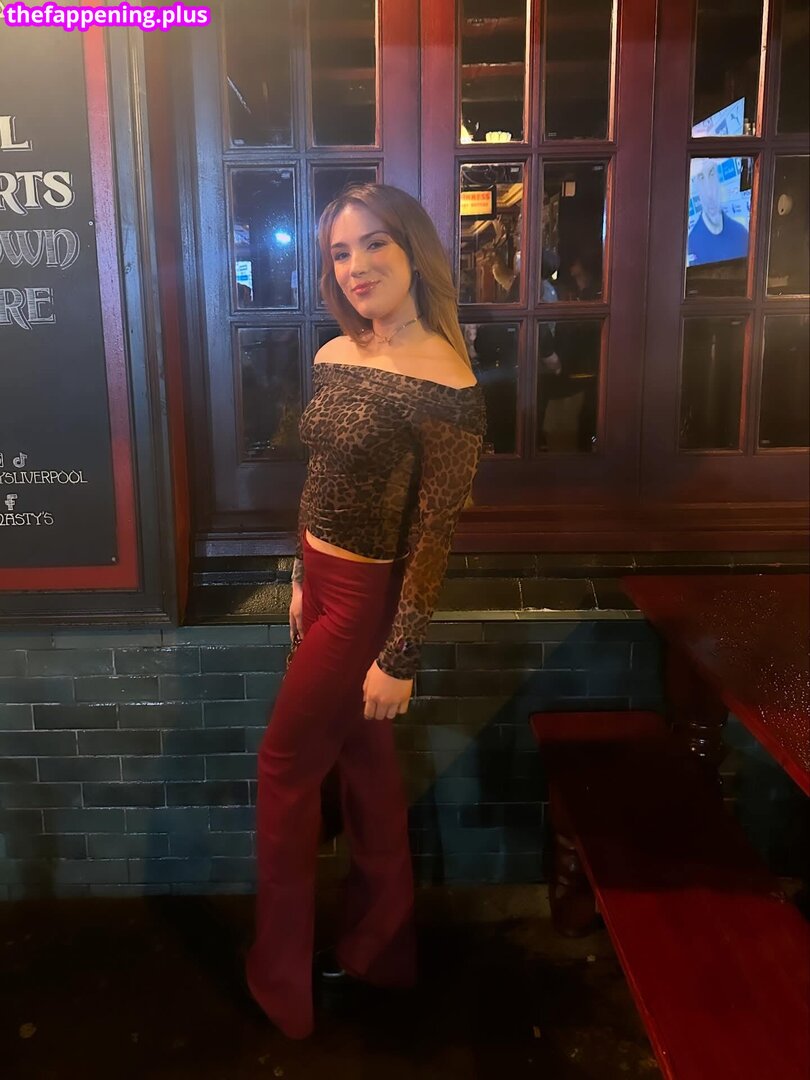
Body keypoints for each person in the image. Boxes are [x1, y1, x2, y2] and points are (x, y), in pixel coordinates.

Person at [245, 183, 487, 1039]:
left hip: (362, 606)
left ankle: (279, 981)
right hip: (320, 583)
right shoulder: (335, 353)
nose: (356, 266)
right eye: (340, 252)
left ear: (413, 250)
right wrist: (298, 572)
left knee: (283, 771)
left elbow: (435, 534)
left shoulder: (447, 382)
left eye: (374, 244)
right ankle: (380, 952)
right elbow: (321, 478)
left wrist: (400, 655)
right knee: (368, 773)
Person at [687, 159, 749, 267]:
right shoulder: (690, 244)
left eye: (712, 174)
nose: (709, 192)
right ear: (695, 185)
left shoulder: (742, 234)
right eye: (701, 177)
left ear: (718, 177)